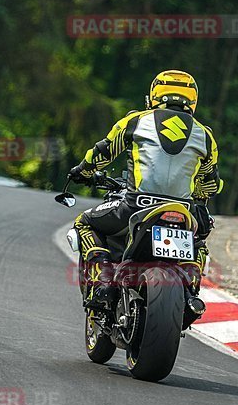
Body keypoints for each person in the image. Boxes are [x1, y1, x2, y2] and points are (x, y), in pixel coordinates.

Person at [68, 70, 223, 308]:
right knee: (199, 242)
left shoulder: (136, 120)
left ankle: (103, 279)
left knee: (84, 223)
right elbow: (210, 183)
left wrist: (83, 171)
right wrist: (199, 196)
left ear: (153, 95)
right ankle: (191, 286)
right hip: (182, 212)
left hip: (135, 207)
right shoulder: (205, 136)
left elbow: (103, 153)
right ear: (193, 100)